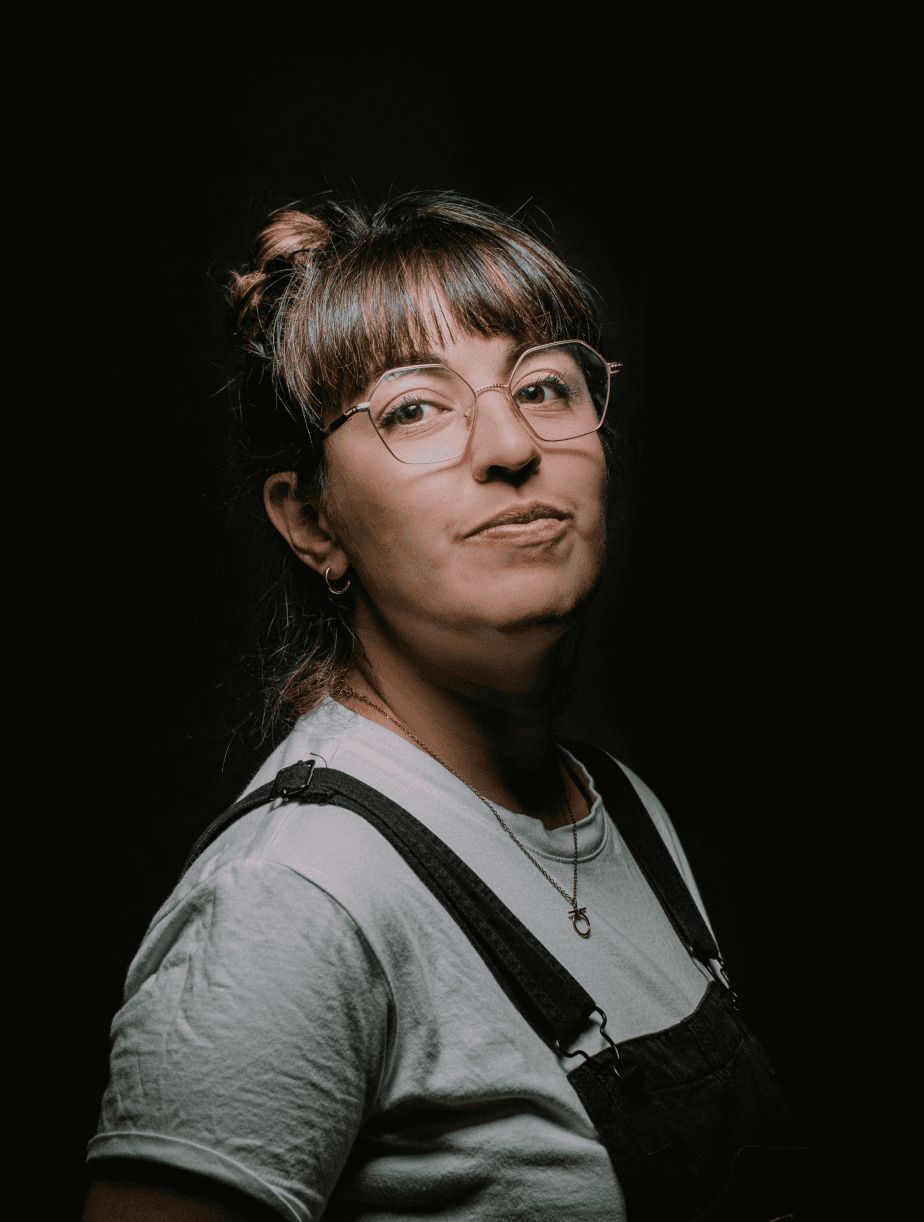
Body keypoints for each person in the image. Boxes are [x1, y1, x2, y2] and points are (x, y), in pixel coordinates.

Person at [83, 193, 802, 1221]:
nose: (511, 444)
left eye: (545, 385)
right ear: (311, 518)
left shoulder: (627, 811)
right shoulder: (292, 899)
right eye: (413, 407)